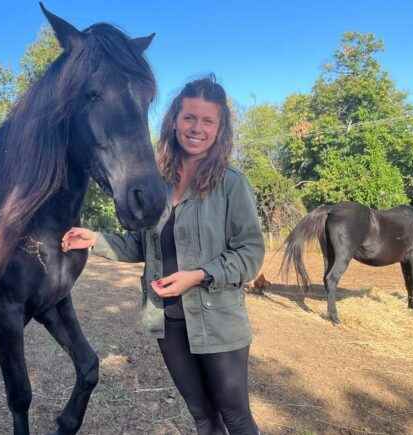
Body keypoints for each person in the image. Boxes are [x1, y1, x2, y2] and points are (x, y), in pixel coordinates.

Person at [61, 75, 264, 435]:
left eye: (207, 121)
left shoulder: (231, 184)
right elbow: (141, 245)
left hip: (218, 323)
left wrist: (199, 274)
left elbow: (250, 253)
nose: (197, 128)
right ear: (174, 120)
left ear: (220, 129)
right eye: (189, 118)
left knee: (236, 418)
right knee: (202, 416)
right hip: (168, 322)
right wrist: (94, 238)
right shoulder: (160, 183)